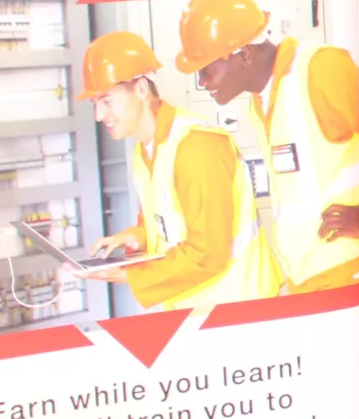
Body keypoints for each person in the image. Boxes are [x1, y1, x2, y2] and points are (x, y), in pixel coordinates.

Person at [174, 0, 359, 293]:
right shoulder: (258, 105)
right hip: (306, 278)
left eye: (206, 71)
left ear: (244, 54)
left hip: (350, 271)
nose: (203, 83)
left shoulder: (320, 68)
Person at [77, 30, 279, 311]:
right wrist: (137, 236)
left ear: (141, 89)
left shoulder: (196, 146)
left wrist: (129, 276)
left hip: (240, 308)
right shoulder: (145, 151)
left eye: (106, 101)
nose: (99, 115)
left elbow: (208, 252)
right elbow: (166, 223)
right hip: (196, 309)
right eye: (94, 104)